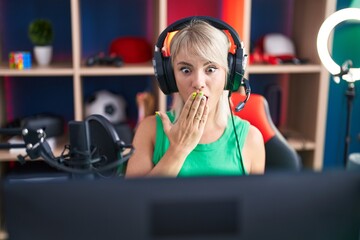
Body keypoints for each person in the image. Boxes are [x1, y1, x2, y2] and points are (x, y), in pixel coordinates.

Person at [125, 17, 265, 177]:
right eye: (185, 69)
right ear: (170, 78)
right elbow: (134, 201)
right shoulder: (149, 131)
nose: (198, 82)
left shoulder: (251, 139)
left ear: (229, 74)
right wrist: (178, 149)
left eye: (211, 69)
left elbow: (253, 201)